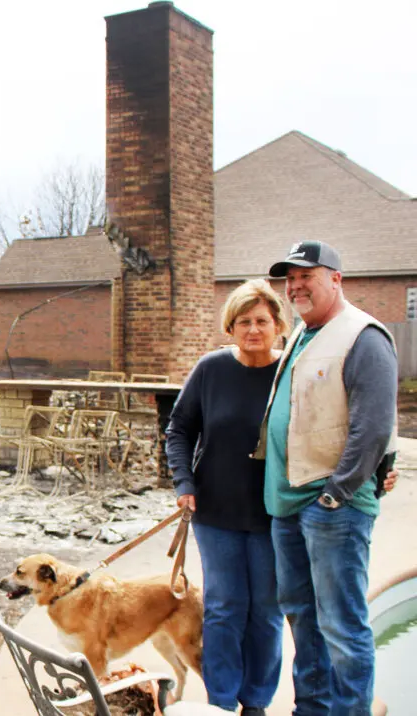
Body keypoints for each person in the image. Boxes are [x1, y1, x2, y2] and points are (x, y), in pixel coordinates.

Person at [252, 240, 399, 716]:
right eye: (290, 279)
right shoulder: (302, 333)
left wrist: (335, 496)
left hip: (332, 508)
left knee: (341, 624)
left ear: (336, 279)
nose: (295, 286)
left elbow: (372, 427)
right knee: (302, 618)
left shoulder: (364, 337)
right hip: (289, 507)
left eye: (306, 276)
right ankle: (313, 708)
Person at [166, 279, 289, 714]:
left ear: (277, 325)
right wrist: (184, 483)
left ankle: (255, 701)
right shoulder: (211, 369)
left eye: (261, 321)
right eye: (243, 322)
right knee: (223, 608)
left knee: (266, 613)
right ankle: (219, 701)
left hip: (275, 514)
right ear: (230, 326)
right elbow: (179, 430)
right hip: (215, 511)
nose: (253, 329)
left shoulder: (291, 370)